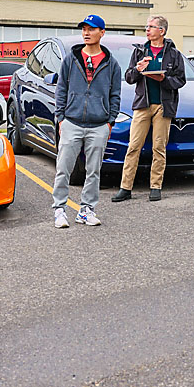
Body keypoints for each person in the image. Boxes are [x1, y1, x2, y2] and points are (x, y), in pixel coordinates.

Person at [53, 14, 121, 228]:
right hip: (71, 122)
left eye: (91, 29)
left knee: (93, 171)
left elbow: (115, 95)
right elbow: (61, 88)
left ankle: (86, 210)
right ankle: (59, 210)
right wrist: (61, 117)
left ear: (102, 32)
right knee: (63, 168)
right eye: (84, 29)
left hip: (99, 125)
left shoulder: (112, 64)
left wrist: (110, 121)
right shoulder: (71, 59)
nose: (86, 33)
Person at [113, 15, 186, 203]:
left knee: (158, 148)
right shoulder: (139, 51)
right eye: (147, 26)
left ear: (161, 31)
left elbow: (180, 80)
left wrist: (164, 80)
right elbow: (129, 77)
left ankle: (155, 186)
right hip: (142, 105)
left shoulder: (173, 54)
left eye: (151, 27)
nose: (147, 30)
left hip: (163, 105)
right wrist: (138, 69)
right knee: (133, 147)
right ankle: (125, 187)